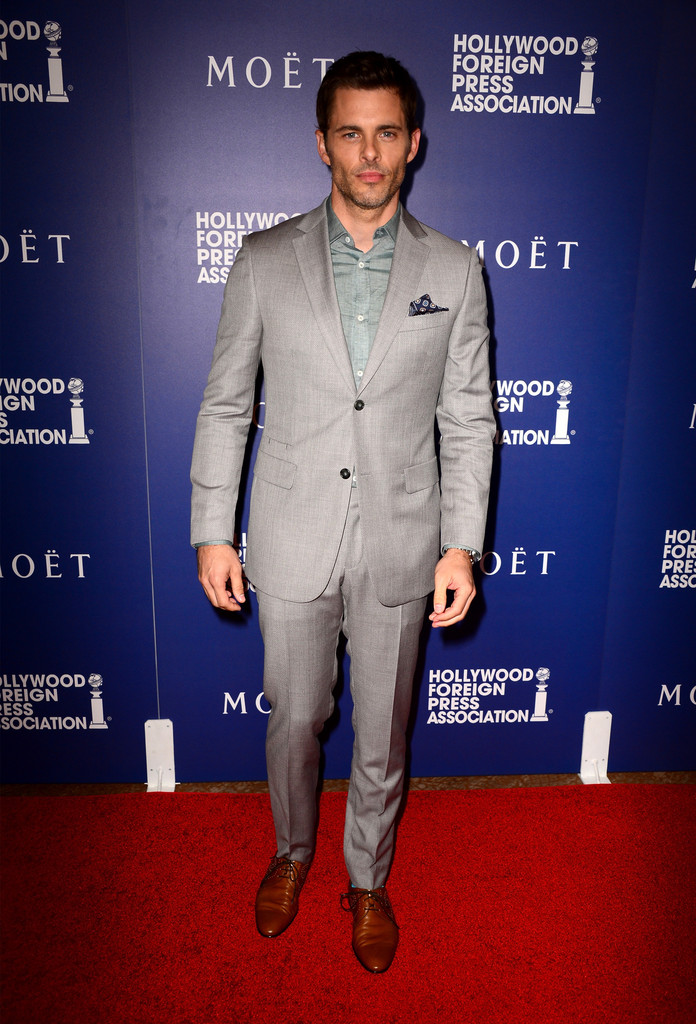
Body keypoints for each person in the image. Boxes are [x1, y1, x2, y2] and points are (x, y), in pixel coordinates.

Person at [190, 51, 495, 973]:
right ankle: (292, 850)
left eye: (388, 134)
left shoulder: (457, 268)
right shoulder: (263, 260)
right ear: (322, 143)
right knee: (294, 718)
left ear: (414, 146)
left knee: (383, 727)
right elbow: (225, 404)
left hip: (405, 539)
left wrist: (462, 546)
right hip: (288, 535)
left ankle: (367, 878)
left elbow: (468, 417)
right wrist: (213, 528)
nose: (370, 153)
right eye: (352, 133)